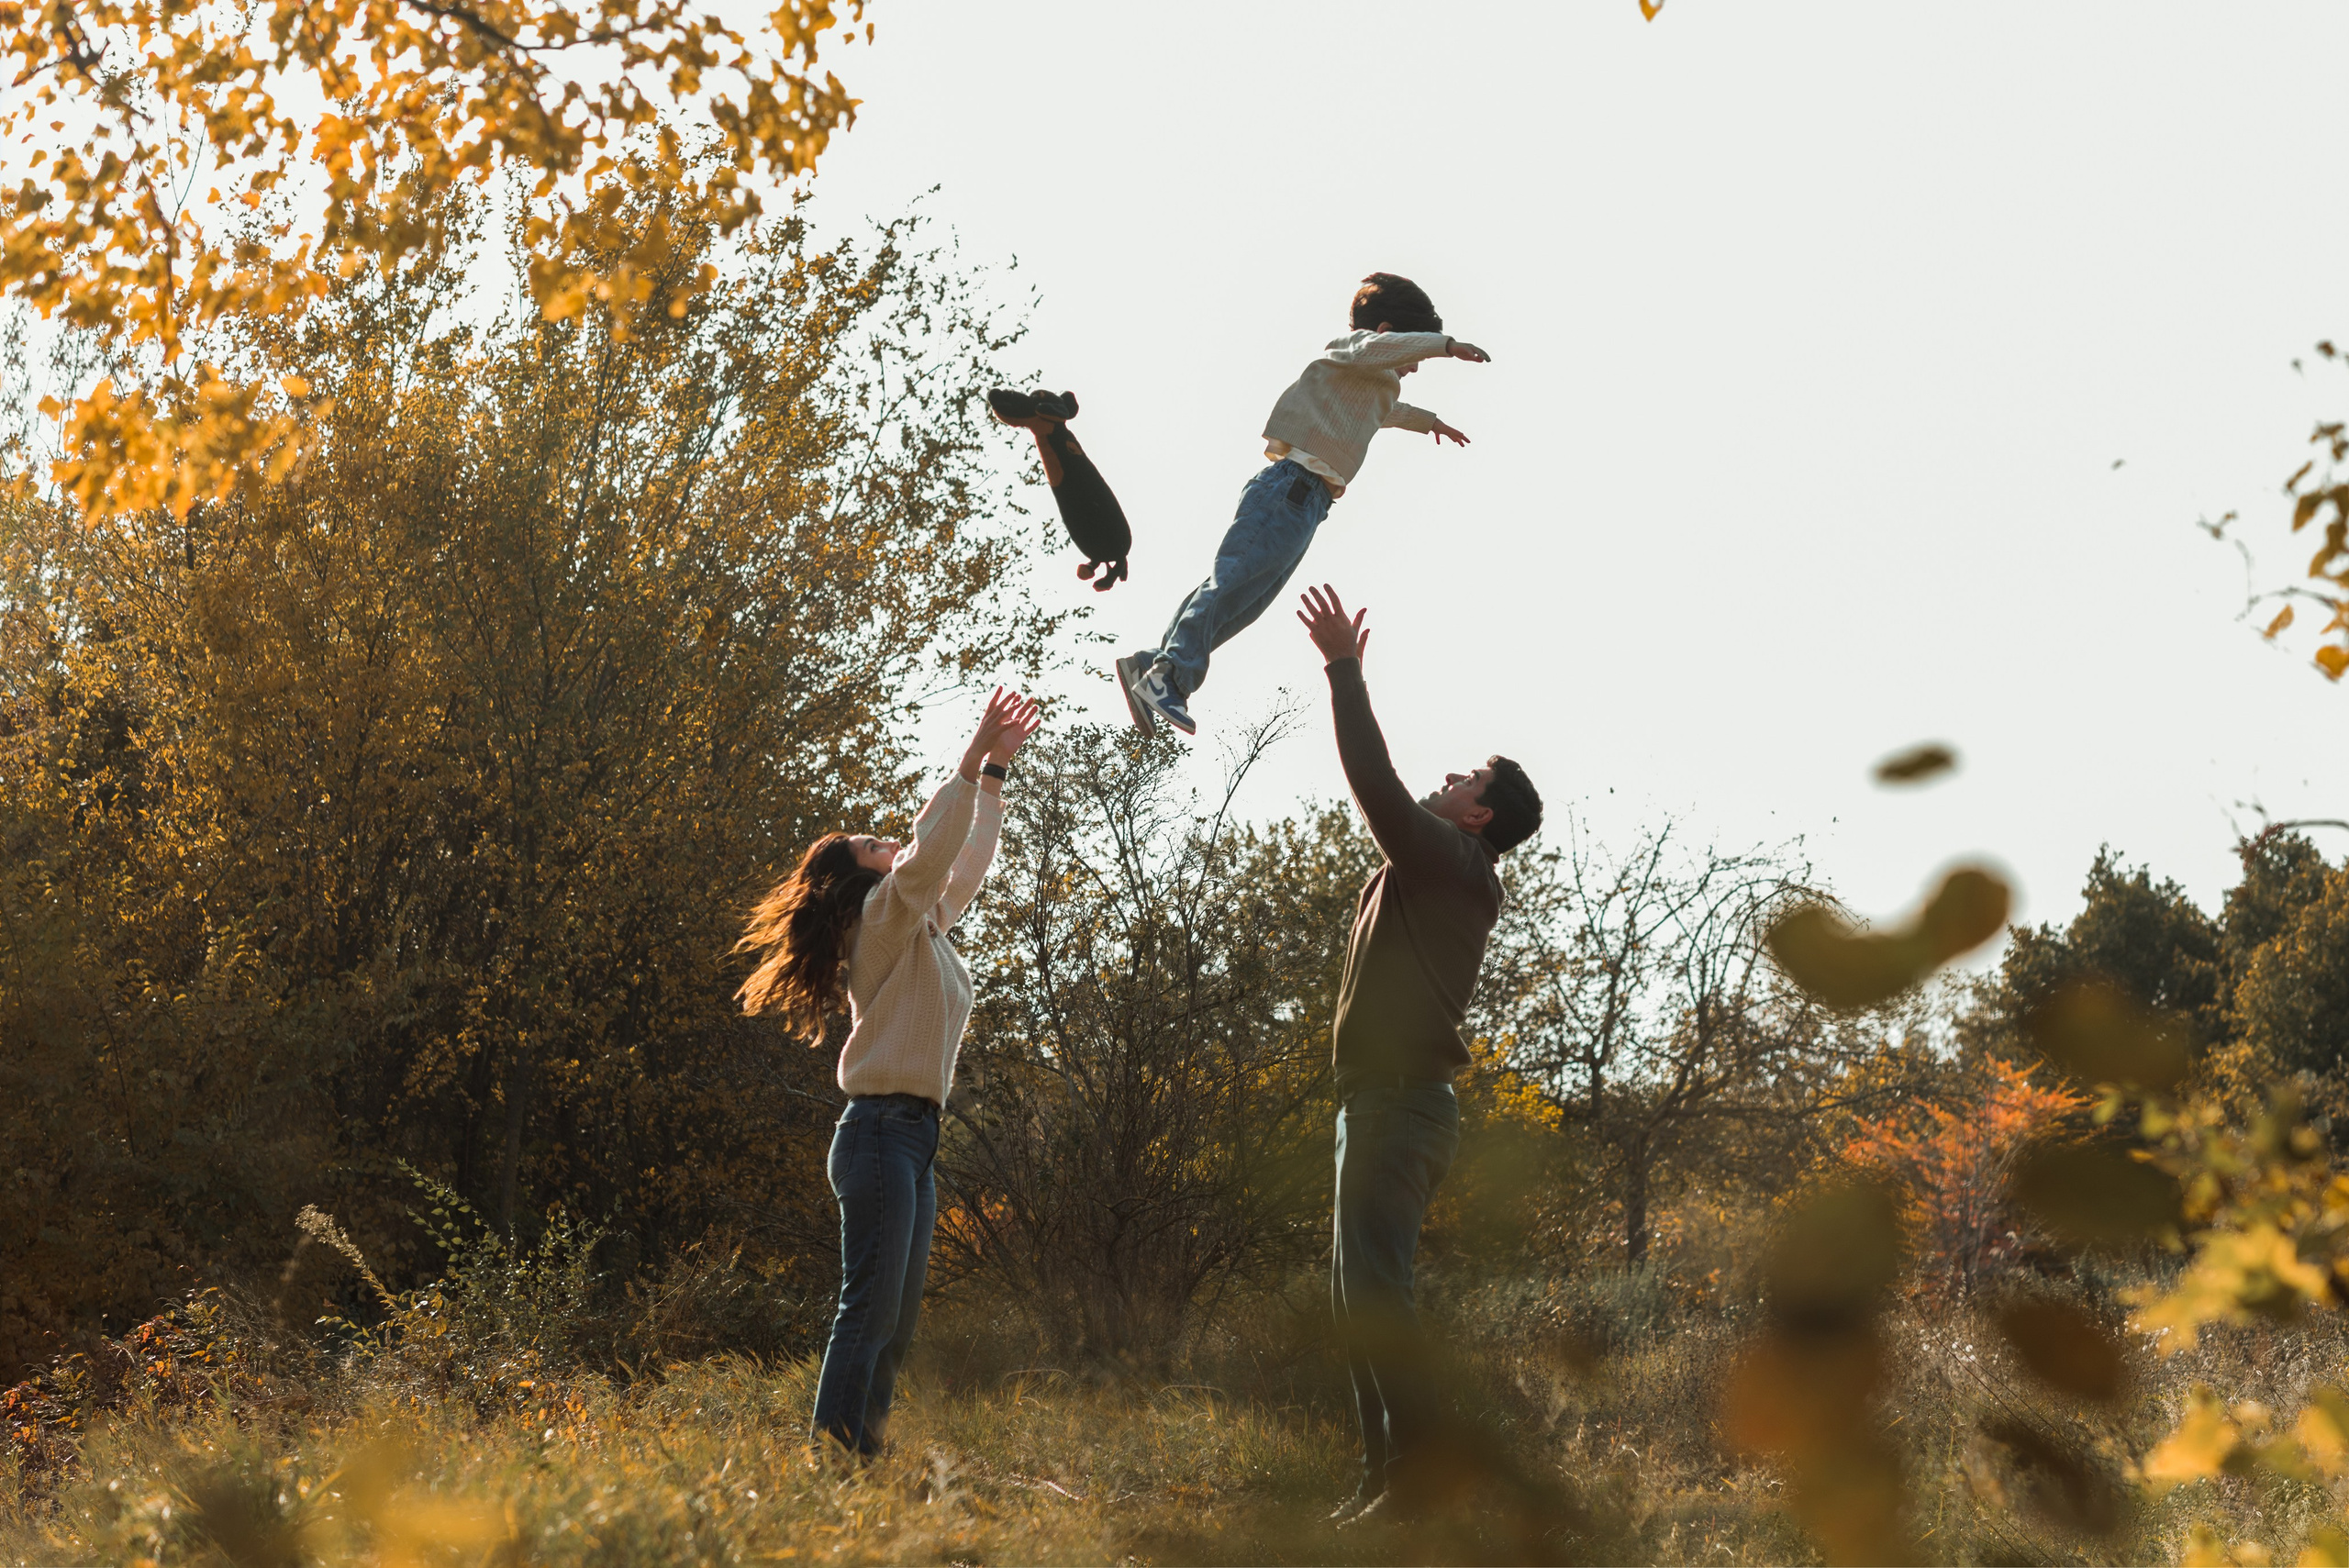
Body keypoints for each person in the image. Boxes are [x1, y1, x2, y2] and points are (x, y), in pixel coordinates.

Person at [733, 686, 1043, 1456]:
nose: (893, 848)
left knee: (896, 1321)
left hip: (915, 1139)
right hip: (878, 1134)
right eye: (877, 844)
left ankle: (861, 1456)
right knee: (869, 1310)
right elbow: (931, 853)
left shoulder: (921, 928)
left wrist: (995, 778)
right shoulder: (876, 924)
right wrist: (970, 758)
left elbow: (963, 861)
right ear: (857, 877)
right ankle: (833, 1458)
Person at [1294, 584, 1543, 1528]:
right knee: (1358, 1295)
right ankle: (1381, 1480)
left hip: (1400, 1106)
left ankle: (1414, 1486)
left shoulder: (1452, 861)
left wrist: (1344, 669)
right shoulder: (1442, 867)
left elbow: (1376, 785)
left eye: (1466, 779)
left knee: (1378, 1294)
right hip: (1377, 1104)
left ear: (1477, 816)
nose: (1451, 778)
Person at [1114, 273, 1489, 738]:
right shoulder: (1355, 348)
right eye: (1410, 355)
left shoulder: (1371, 383)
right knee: (1230, 582)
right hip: (1290, 488)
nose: (1413, 367)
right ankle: (1170, 676)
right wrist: (1445, 346)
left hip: (1308, 503)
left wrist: (1431, 422)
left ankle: (1153, 666)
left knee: (1244, 602)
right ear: (1389, 332)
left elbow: (1386, 411)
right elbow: (1377, 352)